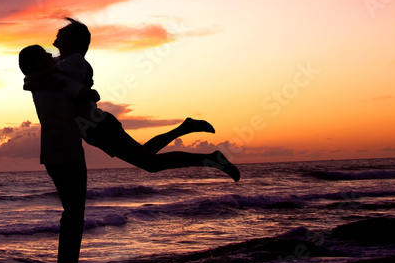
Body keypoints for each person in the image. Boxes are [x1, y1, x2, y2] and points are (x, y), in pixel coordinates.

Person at [22, 18, 241, 180]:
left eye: (63, 33)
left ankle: (212, 159)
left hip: (98, 127)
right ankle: (184, 128)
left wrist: (34, 81)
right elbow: (36, 79)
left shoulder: (74, 61)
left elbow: (39, 76)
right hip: (94, 129)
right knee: (147, 156)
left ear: (73, 41)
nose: (56, 35)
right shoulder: (65, 61)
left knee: (151, 163)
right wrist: (32, 82)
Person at [18, 44, 88, 263]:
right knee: (74, 216)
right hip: (66, 150)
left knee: (71, 214)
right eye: (45, 55)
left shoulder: (38, 81)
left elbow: (32, 77)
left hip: (52, 153)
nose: (51, 56)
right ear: (37, 63)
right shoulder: (53, 79)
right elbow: (88, 94)